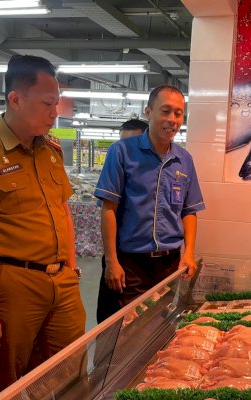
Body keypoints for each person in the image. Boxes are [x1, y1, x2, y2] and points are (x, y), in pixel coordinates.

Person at [0, 54, 85, 396]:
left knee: (69, 374)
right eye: (47, 103)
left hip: (62, 283)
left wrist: (70, 267)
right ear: (15, 99)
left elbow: (63, 210)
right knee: (8, 381)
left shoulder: (51, 150)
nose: (55, 112)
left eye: (56, 103)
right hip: (13, 286)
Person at [94, 85, 205, 323]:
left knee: (160, 325)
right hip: (131, 264)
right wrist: (111, 261)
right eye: (165, 111)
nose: (172, 120)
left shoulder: (184, 160)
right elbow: (108, 209)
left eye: (178, 113)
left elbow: (189, 211)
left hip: (169, 264)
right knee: (130, 330)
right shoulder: (122, 152)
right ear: (148, 111)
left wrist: (189, 253)